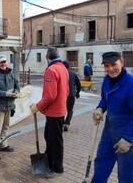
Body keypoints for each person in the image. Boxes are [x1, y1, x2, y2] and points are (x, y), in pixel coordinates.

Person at [91, 52, 133, 183]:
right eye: (107, 66)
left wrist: (129, 139)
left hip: (127, 133)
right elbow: (105, 100)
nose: (110, 69)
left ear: (122, 63)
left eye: (114, 64)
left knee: (126, 171)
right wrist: (100, 108)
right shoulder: (107, 81)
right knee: (101, 162)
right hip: (109, 131)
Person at [30, 47, 69, 178]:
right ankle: (50, 161)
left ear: (47, 57)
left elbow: (50, 95)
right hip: (60, 110)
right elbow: (67, 91)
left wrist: (38, 106)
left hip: (54, 112)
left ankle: (56, 166)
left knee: (54, 140)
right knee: (51, 138)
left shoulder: (51, 70)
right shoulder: (63, 68)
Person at [0, 54, 20, 160]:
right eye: (1, 62)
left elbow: (16, 84)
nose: (3, 63)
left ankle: (3, 145)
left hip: (9, 105)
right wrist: (5, 94)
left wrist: (17, 92)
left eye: (4, 61)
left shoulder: (11, 73)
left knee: (6, 127)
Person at [62, 60, 81, 132]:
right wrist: (78, 92)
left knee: (62, 109)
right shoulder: (73, 73)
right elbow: (78, 84)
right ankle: (67, 123)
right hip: (71, 95)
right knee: (70, 110)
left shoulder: (61, 73)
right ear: (69, 66)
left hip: (63, 95)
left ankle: (62, 123)